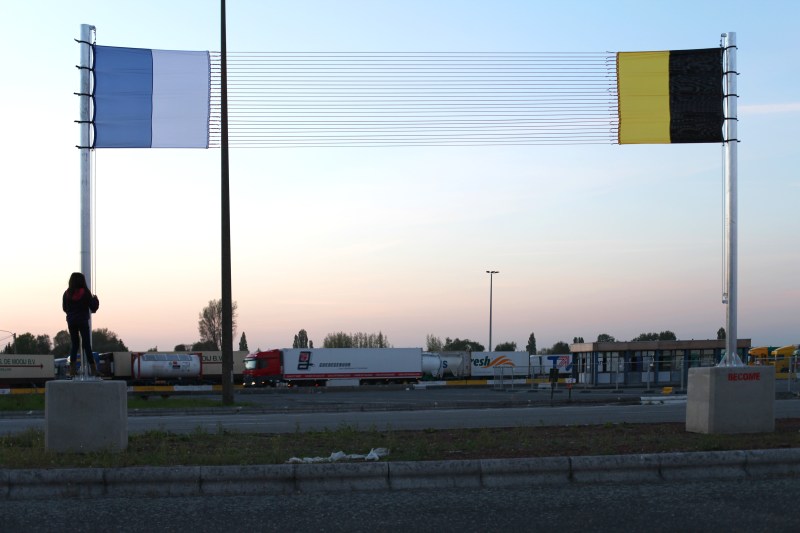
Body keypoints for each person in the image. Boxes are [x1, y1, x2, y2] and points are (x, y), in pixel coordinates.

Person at [62, 272, 100, 377]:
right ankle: (93, 369)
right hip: (82, 321)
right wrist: (96, 300)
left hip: (71, 321)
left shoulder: (66, 293)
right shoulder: (86, 293)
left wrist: (71, 313)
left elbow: (64, 308)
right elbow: (93, 308)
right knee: (86, 344)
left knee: (75, 344)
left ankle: (72, 370)